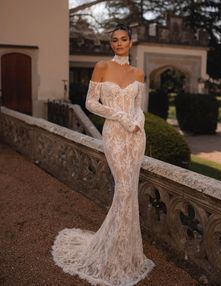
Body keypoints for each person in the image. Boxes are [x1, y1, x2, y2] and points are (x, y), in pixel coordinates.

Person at [51, 23, 155, 286]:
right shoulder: (102, 66)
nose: (119, 44)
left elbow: (139, 107)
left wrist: (137, 122)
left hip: (135, 136)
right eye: (114, 41)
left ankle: (128, 253)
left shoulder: (138, 73)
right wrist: (120, 116)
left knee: (130, 189)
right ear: (112, 45)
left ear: (131, 42)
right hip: (114, 133)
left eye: (123, 39)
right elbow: (90, 103)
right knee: (123, 187)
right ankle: (111, 252)